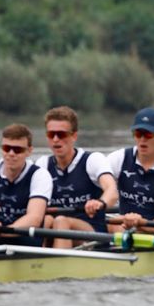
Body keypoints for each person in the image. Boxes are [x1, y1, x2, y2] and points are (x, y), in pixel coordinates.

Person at [37, 106, 119, 249]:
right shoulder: (43, 164)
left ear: (74, 136)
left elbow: (112, 191)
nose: (56, 139)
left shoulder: (92, 160)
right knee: (47, 220)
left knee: (61, 221)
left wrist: (100, 202)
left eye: (61, 134)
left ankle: (60, 269)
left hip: (93, 234)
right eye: (51, 134)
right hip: (58, 230)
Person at [0, 124, 51, 248]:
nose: (11, 154)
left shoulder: (39, 175)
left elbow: (34, 218)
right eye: (6, 148)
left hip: (24, 244)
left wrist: (2, 231)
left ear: (29, 151)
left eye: (17, 150)